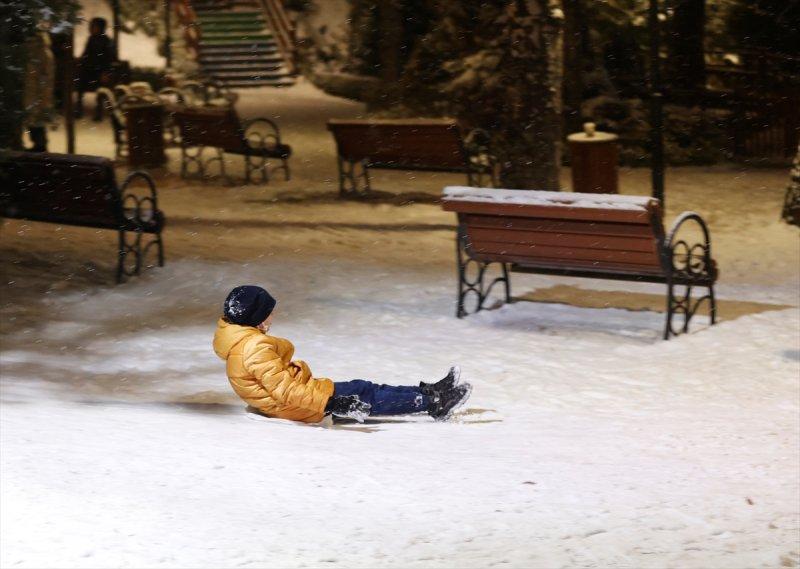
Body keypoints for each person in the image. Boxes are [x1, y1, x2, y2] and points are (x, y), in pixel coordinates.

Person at [212, 285, 472, 423]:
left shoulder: (241, 342)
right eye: (269, 312)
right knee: (367, 396)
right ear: (256, 317)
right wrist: (331, 404)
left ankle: (429, 392)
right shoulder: (254, 348)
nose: (273, 316)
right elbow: (287, 391)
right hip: (297, 407)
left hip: (298, 397)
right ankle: (434, 404)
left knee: (364, 387)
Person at [75, 17, 115, 121]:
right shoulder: (91, 39)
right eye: (92, 26)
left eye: (94, 26)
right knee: (80, 82)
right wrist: (80, 61)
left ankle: (98, 113)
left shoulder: (107, 41)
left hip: (101, 71)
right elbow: (86, 54)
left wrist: (105, 72)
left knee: (100, 88)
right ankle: (78, 110)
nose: (91, 28)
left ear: (100, 28)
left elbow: (108, 59)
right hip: (89, 70)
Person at [23, 29, 55, 152]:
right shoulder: (36, 52)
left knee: (36, 120)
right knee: (33, 120)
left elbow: (45, 77)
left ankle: (40, 146)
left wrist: (43, 95)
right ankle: (39, 145)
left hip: (36, 93)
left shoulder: (42, 53)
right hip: (33, 91)